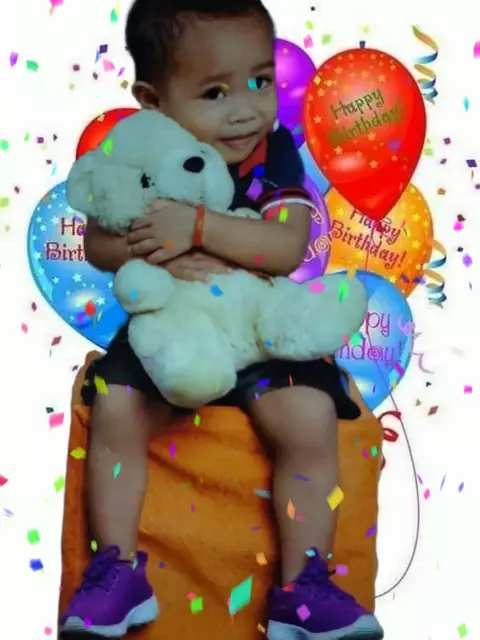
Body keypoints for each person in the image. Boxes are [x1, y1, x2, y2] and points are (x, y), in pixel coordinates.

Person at [60, 1, 384, 638]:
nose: (245, 109)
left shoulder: (272, 153)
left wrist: (199, 228)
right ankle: (116, 571)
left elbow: (286, 246)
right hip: (173, 331)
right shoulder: (141, 151)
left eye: (260, 81)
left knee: (308, 416)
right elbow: (98, 242)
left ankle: (306, 585)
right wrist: (147, 250)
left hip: (257, 332)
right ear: (153, 101)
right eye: (215, 92)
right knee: (117, 406)